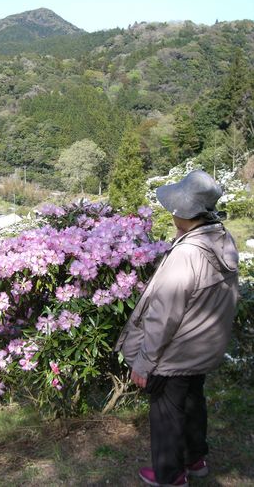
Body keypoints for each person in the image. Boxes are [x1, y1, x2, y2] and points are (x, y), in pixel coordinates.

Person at [115, 170, 239, 487]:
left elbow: (164, 315)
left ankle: (170, 475)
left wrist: (143, 363)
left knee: (167, 412)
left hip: (177, 352)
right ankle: (195, 459)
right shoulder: (222, 239)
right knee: (193, 403)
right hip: (203, 347)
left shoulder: (187, 254)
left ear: (184, 213)